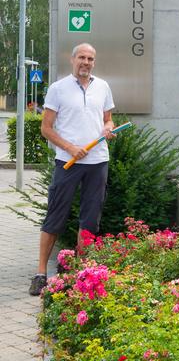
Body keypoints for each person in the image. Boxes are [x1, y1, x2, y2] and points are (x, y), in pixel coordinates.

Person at [29, 43, 115, 295]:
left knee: (90, 219)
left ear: (94, 62)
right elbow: (46, 128)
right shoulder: (58, 89)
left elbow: (108, 118)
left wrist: (108, 127)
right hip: (67, 163)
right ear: (73, 59)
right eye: (82, 57)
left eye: (90, 58)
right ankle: (41, 273)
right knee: (55, 215)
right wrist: (70, 147)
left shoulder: (103, 87)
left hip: (98, 161)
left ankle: (81, 273)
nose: (85, 62)